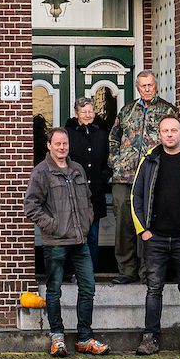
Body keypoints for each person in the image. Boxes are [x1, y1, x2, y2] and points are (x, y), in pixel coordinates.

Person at [129, 113, 180, 356]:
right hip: (154, 238)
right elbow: (137, 197)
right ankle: (150, 338)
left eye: (174, 130)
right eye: (165, 131)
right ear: (159, 134)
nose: (169, 135)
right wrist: (143, 231)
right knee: (154, 289)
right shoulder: (149, 160)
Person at [22, 125, 108, 357]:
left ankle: (84, 337)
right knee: (54, 290)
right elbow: (31, 207)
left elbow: (88, 201)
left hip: (80, 242)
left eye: (65, 143)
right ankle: (57, 336)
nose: (62, 147)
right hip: (56, 244)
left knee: (88, 287)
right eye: (57, 143)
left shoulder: (77, 169)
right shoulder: (41, 172)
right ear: (49, 145)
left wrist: (87, 221)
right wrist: (55, 226)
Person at [107, 70, 176, 285]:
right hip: (124, 178)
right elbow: (113, 138)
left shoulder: (167, 111)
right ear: (137, 87)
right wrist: (116, 162)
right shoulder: (126, 110)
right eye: (143, 85)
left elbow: (174, 140)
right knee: (124, 225)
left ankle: (149, 272)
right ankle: (126, 270)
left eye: (150, 85)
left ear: (156, 86)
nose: (147, 89)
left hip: (153, 178)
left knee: (151, 226)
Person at [64, 96, 111, 273]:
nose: (88, 114)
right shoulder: (67, 134)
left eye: (90, 111)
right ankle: (73, 271)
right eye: (84, 111)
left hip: (95, 194)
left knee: (92, 235)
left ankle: (89, 272)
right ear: (76, 114)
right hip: (73, 194)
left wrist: (102, 177)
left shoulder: (102, 134)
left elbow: (109, 161)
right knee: (74, 236)